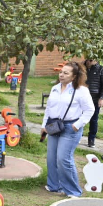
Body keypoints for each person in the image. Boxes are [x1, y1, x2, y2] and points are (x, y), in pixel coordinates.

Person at [41, 62, 95, 198]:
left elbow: (90, 110)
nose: (61, 75)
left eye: (66, 73)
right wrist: (44, 126)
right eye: (61, 72)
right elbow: (49, 109)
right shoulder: (55, 88)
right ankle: (54, 186)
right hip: (54, 126)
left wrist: (77, 124)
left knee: (63, 159)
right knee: (51, 158)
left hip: (70, 128)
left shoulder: (81, 90)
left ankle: (73, 191)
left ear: (74, 76)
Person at [83, 58, 103, 148]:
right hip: (82, 98)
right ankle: (77, 136)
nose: (88, 62)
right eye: (87, 60)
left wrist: (102, 98)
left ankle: (91, 140)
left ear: (96, 60)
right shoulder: (83, 69)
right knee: (78, 117)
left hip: (94, 99)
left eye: (91, 60)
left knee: (93, 119)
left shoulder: (102, 70)